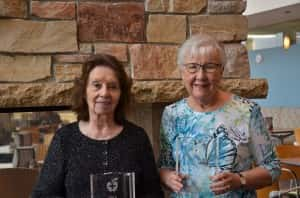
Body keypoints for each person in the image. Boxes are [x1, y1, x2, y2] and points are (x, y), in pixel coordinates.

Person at [158, 33, 281, 197]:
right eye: (192, 67)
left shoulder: (247, 111)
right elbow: (165, 166)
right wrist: (167, 177)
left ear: (221, 70)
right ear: (182, 72)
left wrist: (240, 179)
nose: (200, 76)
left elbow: (272, 167)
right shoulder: (172, 114)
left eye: (209, 66)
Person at [32, 54, 164, 198]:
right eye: (96, 85)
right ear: (84, 91)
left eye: (112, 87)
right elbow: (42, 195)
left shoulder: (137, 137)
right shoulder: (65, 139)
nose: (104, 93)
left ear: (121, 94)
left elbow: (154, 193)